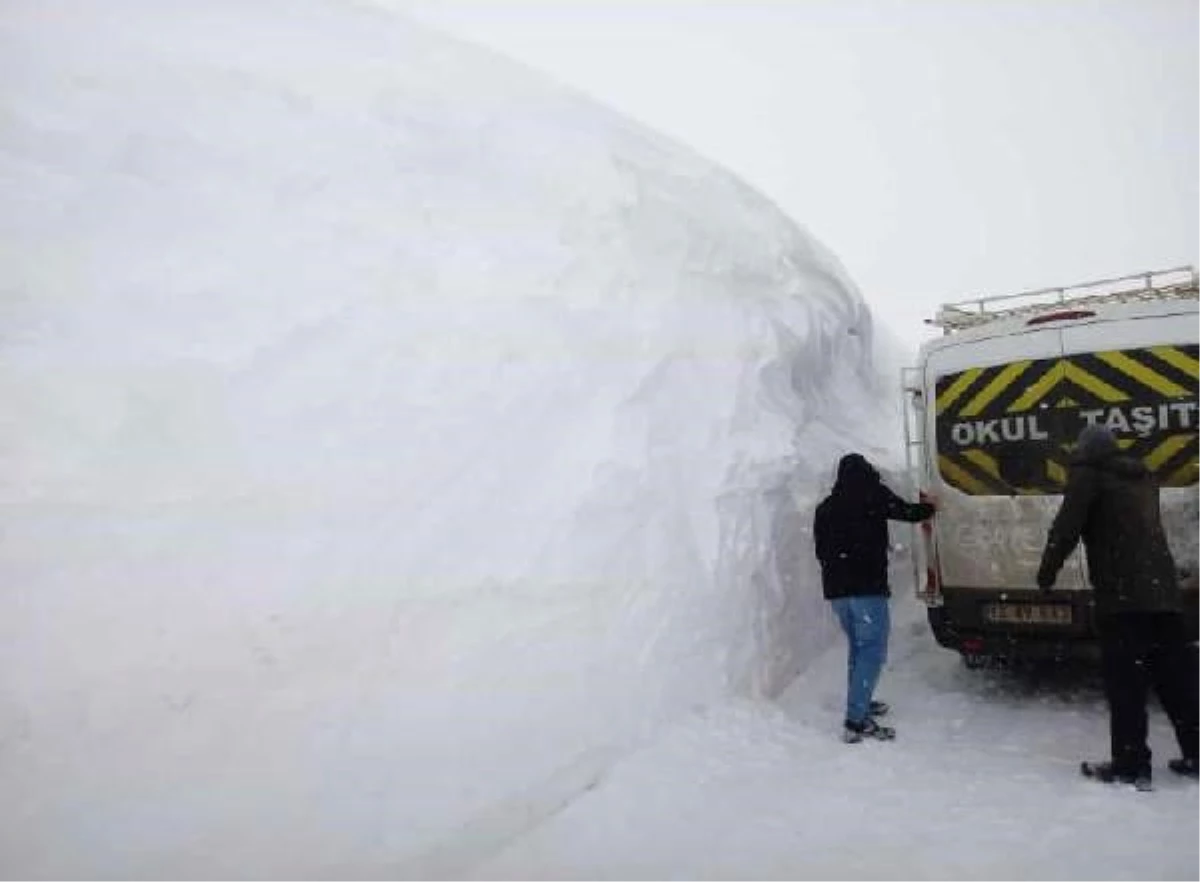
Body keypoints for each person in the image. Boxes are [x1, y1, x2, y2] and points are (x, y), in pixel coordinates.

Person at [1037, 424, 1200, 788]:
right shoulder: (1142, 477)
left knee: (1126, 684)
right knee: (1178, 682)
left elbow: (1066, 529)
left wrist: (1046, 573)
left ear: (1084, 451)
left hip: (1123, 599)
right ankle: (1197, 752)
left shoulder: (1088, 476)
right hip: (1164, 596)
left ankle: (1130, 763)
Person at [814, 453, 936, 743]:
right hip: (867, 589)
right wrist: (931, 507)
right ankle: (856, 721)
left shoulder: (826, 508)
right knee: (871, 651)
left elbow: (821, 551)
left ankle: (861, 700)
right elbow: (909, 513)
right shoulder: (872, 494)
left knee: (858, 649)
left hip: (837, 593)